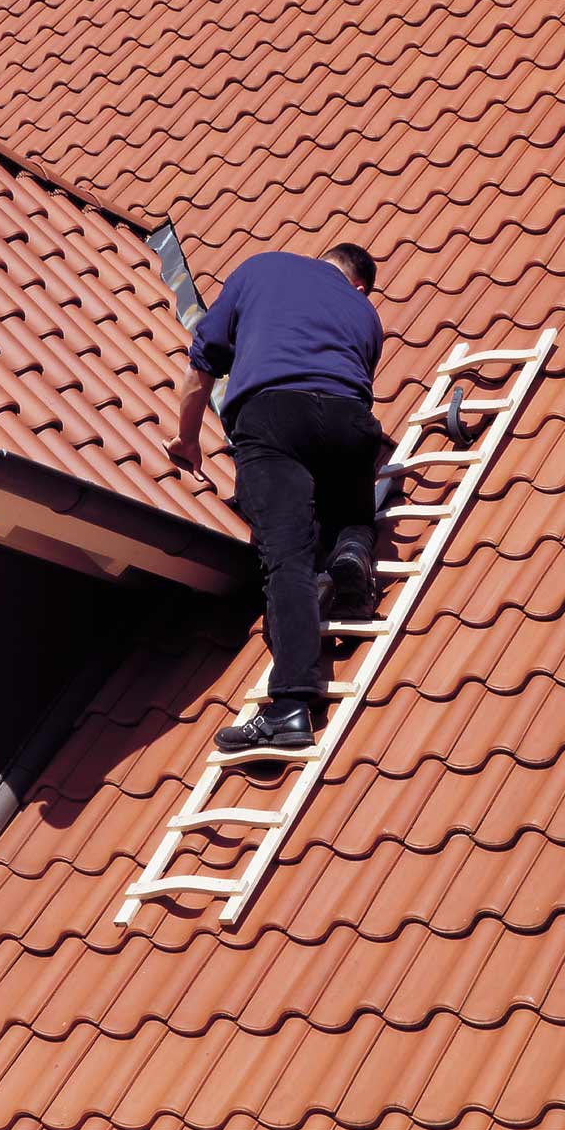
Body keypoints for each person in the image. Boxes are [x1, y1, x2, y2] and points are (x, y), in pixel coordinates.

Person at [165, 244, 384, 752]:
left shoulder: (260, 267)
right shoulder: (367, 315)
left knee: (287, 557)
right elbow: (346, 389)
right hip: (350, 421)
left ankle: (289, 708)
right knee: (351, 506)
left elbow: (204, 361)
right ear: (358, 285)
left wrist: (188, 438)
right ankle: (353, 550)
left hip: (272, 417)